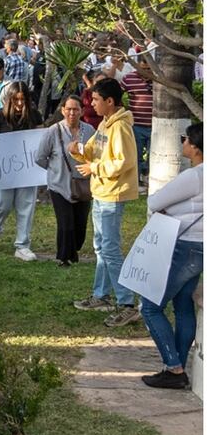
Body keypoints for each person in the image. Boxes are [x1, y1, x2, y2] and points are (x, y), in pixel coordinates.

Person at [69, 77, 141, 327]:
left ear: (110, 101)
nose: (93, 105)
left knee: (110, 248)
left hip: (113, 193)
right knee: (100, 246)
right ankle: (102, 295)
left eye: (97, 100)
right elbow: (91, 149)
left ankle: (127, 303)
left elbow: (124, 162)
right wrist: (77, 150)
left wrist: (94, 166)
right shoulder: (104, 125)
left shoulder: (120, 127)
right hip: (100, 191)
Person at [140, 123, 203, 389]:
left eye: (185, 139)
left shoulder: (194, 176)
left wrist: (170, 211)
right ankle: (176, 366)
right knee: (182, 305)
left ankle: (174, 368)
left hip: (184, 246)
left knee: (150, 306)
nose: (182, 143)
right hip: (199, 248)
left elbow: (154, 202)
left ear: (196, 147)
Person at [0, 81, 44, 260]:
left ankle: (22, 245)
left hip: (27, 171)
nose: (20, 104)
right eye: (16, 100)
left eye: (23, 100)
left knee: (26, 206)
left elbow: (40, 141)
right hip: (4, 171)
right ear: (9, 99)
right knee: (2, 203)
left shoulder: (35, 116)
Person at [34, 95, 95, 267]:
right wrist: (54, 169)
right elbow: (40, 157)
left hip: (82, 185)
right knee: (65, 223)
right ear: (62, 111)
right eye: (68, 109)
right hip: (59, 185)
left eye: (76, 109)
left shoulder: (89, 131)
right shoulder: (53, 131)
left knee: (80, 224)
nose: (72, 113)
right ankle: (63, 258)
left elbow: (95, 154)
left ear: (82, 111)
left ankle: (73, 251)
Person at [120, 53, 153, 187]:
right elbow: (118, 94)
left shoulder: (158, 78)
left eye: (148, 69)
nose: (145, 72)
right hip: (137, 125)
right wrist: (124, 110)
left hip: (155, 125)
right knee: (136, 154)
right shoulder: (129, 78)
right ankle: (136, 182)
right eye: (142, 69)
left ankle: (147, 175)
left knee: (153, 156)